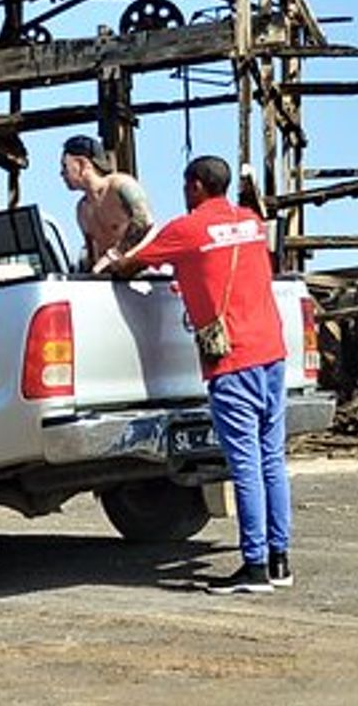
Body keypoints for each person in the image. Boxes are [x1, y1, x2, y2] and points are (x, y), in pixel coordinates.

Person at [116, 155, 293, 595]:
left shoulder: (187, 229)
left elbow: (132, 265)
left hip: (231, 361)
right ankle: (279, 560)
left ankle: (253, 567)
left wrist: (113, 262)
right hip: (272, 353)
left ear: (195, 185)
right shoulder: (251, 221)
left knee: (245, 465)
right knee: (272, 460)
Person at [59, 134, 154, 273]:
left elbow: (144, 223)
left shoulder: (121, 186)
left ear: (82, 164)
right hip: (110, 280)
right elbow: (92, 253)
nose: (62, 173)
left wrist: (114, 255)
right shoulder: (82, 210)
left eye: (65, 166)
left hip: (144, 277)